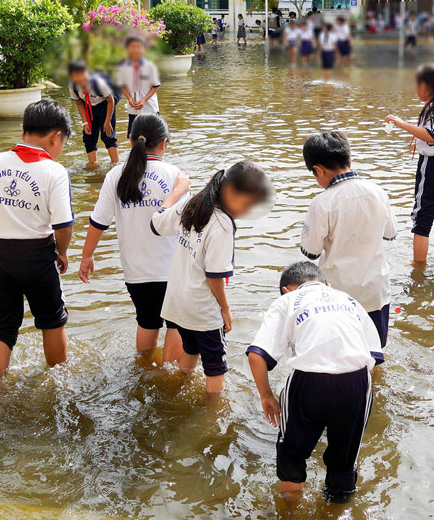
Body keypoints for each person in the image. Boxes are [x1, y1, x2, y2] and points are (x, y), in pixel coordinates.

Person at [246, 261, 382, 504]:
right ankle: (335, 509)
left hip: (308, 381)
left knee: (291, 456)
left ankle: (291, 509)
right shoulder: (347, 299)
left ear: (287, 290)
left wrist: (266, 396)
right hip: (356, 381)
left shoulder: (287, 301)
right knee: (344, 462)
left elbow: (257, 355)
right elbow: (373, 359)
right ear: (326, 285)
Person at [0, 98, 75, 379]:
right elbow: (63, 226)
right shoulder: (54, 171)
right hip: (37, 257)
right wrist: (62, 253)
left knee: (1, 329)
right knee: (52, 321)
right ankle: (58, 384)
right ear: (57, 136)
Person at [151, 162, 270, 393]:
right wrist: (225, 309)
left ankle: (176, 393)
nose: (247, 212)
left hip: (178, 301)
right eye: (246, 204)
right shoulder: (223, 224)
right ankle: (213, 420)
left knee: (191, 350)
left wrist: (173, 196)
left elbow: (156, 224)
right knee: (216, 370)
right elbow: (214, 276)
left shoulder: (192, 202)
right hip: (203, 310)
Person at [78, 114, 184, 362]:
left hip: (136, 273)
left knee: (147, 322)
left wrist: (86, 256)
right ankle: (167, 383)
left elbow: (97, 222)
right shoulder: (174, 175)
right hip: (172, 270)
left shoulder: (116, 176)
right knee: (177, 326)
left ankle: (144, 371)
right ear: (164, 143)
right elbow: (188, 226)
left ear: (130, 141)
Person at [299, 131, 397, 346]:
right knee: (374, 353)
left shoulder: (322, 202)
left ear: (318, 170)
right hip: (376, 291)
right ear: (350, 161)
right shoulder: (378, 192)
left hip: (339, 295)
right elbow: (390, 234)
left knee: (342, 353)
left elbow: (311, 251)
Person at [384, 63, 434, 264]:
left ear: (429, 86)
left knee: (422, 222)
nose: (415, 89)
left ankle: (418, 272)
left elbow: (430, 137)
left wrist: (401, 123)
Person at [68, 60, 119, 168]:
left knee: (108, 135)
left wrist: (107, 122)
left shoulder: (98, 83)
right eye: (76, 75)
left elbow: (111, 101)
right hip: (88, 107)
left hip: (105, 104)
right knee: (88, 136)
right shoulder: (73, 87)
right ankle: (93, 164)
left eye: (82, 74)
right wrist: (85, 122)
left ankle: (115, 164)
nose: (80, 79)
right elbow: (79, 103)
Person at [118, 35, 161, 139]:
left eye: (138, 47)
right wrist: (129, 98)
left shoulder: (150, 66)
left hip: (150, 109)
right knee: (133, 138)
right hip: (133, 110)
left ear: (144, 49)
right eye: (133, 47)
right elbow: (122, 86)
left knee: (153, 139)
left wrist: (144, 100)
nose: (135, 50)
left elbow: (155, 86)